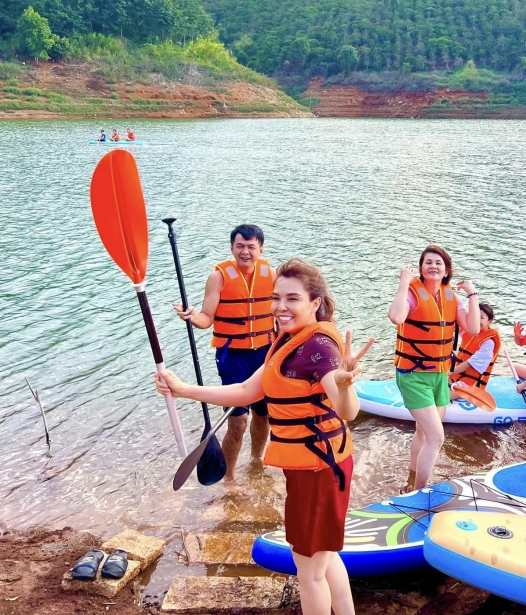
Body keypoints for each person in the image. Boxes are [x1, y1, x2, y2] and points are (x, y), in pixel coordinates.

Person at [158, 259, 373, 615]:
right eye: (276, 298)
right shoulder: (287, 341)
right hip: (318, 466)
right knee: (325, 558)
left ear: (314, 303)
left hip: (318, 471)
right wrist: (183, 390)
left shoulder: (319, 349)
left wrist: (347, 384)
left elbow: (347, 410)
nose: (281, 307)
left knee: (309, 573)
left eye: (292, 299)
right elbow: (245, 390)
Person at [174, 225, 275, 481]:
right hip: (233, 357)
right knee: (238, 422)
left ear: (260, 249)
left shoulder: (271, 274)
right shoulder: (218, 277)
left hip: (265, 353)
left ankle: (256, 460)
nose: (245, 252)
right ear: (232, 248)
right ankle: (229, 478)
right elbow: (207, 318)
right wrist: (193, 316)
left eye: (251, 247)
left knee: (263, 415)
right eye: (240, 246)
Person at [388, 245, 480, 492]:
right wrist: (404, 283)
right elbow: (396, 317)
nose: (433, 266)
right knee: (436, 437)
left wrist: (473, 295)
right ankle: (420, 489)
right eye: (427, 262)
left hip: (439, 375)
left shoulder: (452, 296)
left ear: (446, 270)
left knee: (423, 432)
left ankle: (410, 481)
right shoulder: (412, 293)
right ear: (420, 268)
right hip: (413, 375)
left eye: (438, 263)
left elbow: (473, 328)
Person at [449, 302, 500, 400]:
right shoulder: (469, 332)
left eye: (481, 317)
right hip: (456, 376)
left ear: (489, 321)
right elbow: (456, 325)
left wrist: (448, 372)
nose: (476, 320)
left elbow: (469, 364)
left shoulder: (489, 343)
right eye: (475, 316)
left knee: (442, 397)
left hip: (472, 383)